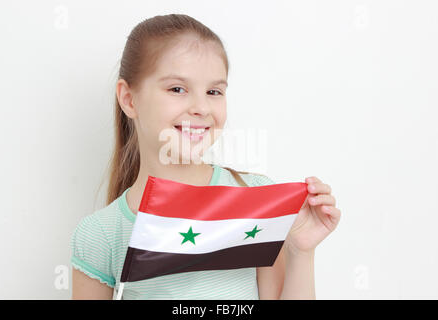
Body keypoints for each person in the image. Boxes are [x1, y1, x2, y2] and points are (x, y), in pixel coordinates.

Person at [71, 13, 341, 300]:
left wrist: (301, 252)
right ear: (129, 99)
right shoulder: (100, 234)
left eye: (214, 91)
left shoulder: (255, 198)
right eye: (177, 89)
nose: (201, 107)